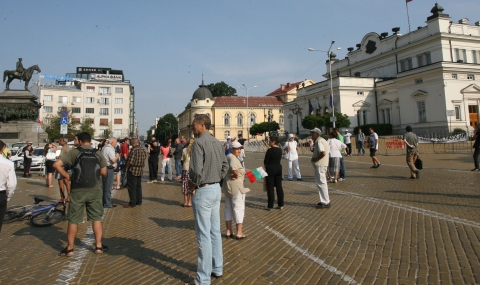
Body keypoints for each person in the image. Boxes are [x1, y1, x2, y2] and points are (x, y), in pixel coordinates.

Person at [186, 114, 228, 285]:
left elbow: (196, 170)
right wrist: (218, 177)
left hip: (203, 189)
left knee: (203, 234)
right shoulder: (218, 142)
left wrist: (192, 186)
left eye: (193, 124)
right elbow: (225, 165)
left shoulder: (199, 143)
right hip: (216, 188)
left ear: (201, 125)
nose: (192, 127)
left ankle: (203, 278)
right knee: (214, 231)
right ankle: (217, 267)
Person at [54, 132, 108, 257]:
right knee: (96, 218)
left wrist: (68, 176)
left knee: (73, 220)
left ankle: (70, 248)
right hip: (94, 190)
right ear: (90, 141)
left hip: (77, 190)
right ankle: (99, 246)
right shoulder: (97, 153)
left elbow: (56, 165)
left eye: (76, 139)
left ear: (79, 140)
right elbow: (104, 172)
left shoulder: (74, 152)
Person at [223, 141, 249, 240]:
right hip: (236, 188)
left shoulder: (228, 156)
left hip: (228, 187)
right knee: (238, 208)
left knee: (228, 208)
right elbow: (234, 168)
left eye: (240, 149)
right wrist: (236, 174)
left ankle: (228, 230)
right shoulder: (233, 158)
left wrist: (243, 173)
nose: (239, 150)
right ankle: (239, 232)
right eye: (237, 149)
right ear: (232, 149)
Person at [309, 128, 331, 208]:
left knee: (321, 183)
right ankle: (324, 200)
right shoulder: (321, 140)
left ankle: (325, 201)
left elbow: (323, 153)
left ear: (317, 134)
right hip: (322, 164)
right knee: (322, 183)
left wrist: (316, 159)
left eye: (313, 133)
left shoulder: (319, 141)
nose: (311, 135)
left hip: (320, 165)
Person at [124, 138, 147, 208]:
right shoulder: (142, 149)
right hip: (140, 170)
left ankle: (132, 202)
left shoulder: (134, 150)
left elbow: (130, 161)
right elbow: (145, 158)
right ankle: (139, 201)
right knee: (138, 186)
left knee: (132, 187)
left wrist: (126, 167)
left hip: (133, 170)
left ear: (134, 143)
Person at [0, 140, 17, 233]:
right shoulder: (8, 163)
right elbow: (12, 184)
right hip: (1, 194)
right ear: (3, 149)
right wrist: (7, 197)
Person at [264, 136, 284, 210]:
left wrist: (266, 168)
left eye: (270, 141)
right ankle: (281, 204)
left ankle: (270, 205)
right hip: (279, 168)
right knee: (279, 187)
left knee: (270, 188)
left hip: (270, 169)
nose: (269, 143)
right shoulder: (280, 150)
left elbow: (266, 162)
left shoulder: (270, 150)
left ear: (273, 142)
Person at [101, 138, 119, 208]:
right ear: (112, 142)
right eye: (115, 142)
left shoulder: (105, 148)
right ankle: (107, 203)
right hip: (108, 169)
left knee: (106, 186)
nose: (116, 144)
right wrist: (117, 157)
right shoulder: (109, 149)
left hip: (106, 168)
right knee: (108, 186)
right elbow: (113, 160)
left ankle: (105, 201)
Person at [56, 138, 71, 203]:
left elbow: (63, 157)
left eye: (60, 141)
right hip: (65, 166)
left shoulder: (64, 148)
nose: (59, 142)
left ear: (64, 142)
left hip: (62, 166)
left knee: (61, 182)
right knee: (66, 182)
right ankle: (69, 197)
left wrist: (58, 158)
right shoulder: (67, 147)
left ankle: (62, 198)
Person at [181, 138, 195, 207]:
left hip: (185, 169)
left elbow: (182, 159)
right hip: (192, 170)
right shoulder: (195, 151)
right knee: (191, 186)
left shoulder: (184, 150)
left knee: (185, 185)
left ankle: (185, 202)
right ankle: (190, 202)